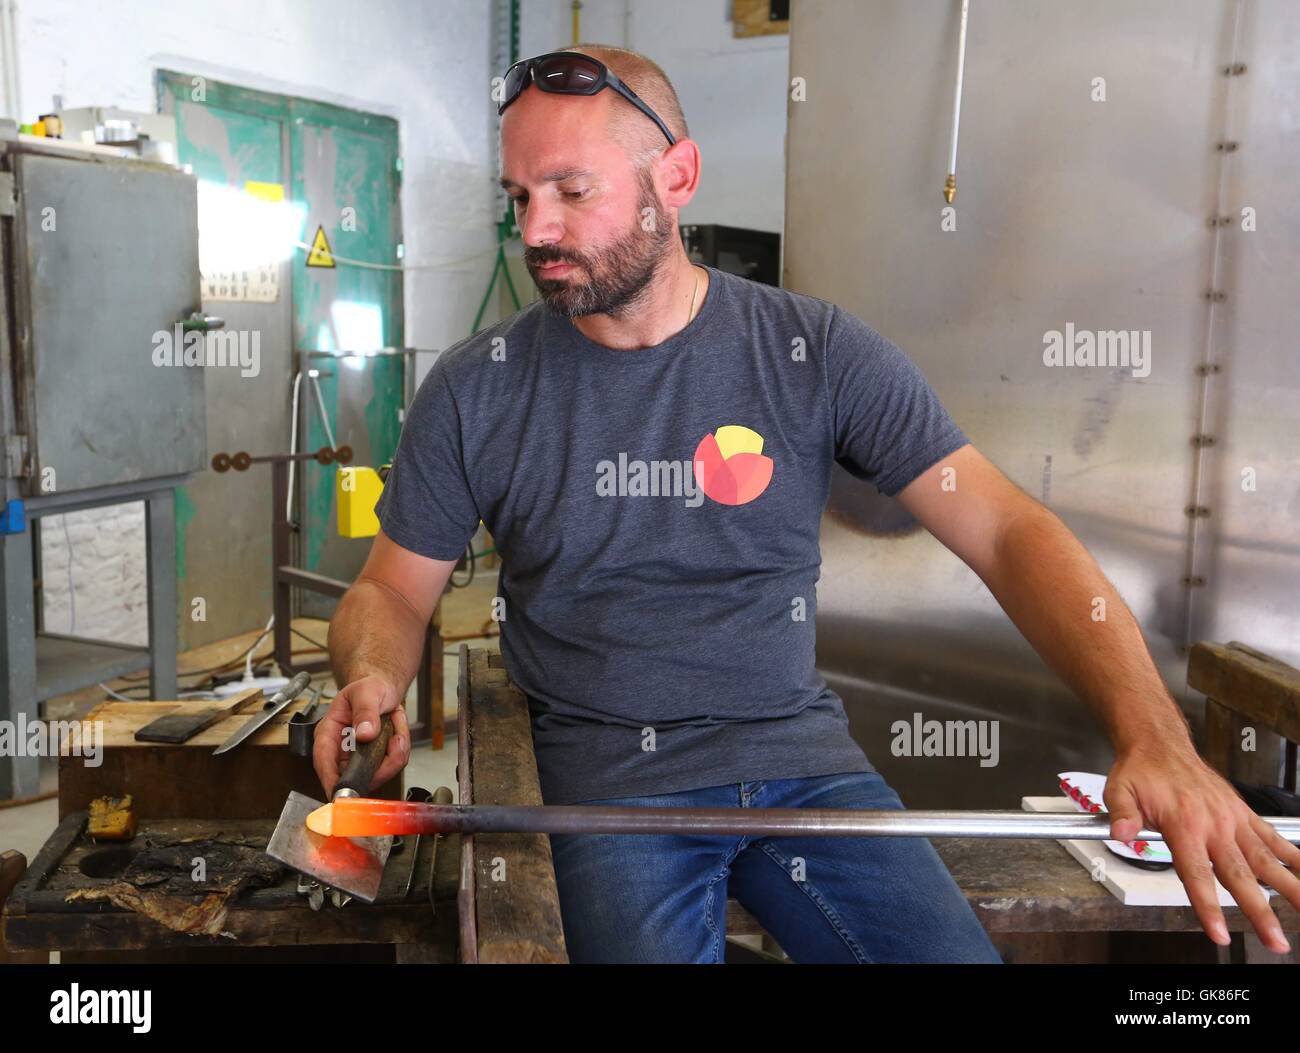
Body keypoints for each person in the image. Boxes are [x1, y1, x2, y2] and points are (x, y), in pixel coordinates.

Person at [316, 44, 1300, 963]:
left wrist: (1153, 736)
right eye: (520, 195)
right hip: (607, 787)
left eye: (572, 191)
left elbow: (1006, 531)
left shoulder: (813, 353)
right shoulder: (478, 387)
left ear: (678, 178)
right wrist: (370, 677)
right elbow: (393, 594)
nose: (535, 230)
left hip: (804, 766)